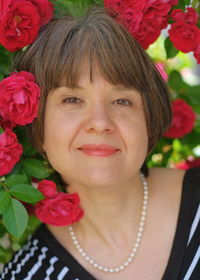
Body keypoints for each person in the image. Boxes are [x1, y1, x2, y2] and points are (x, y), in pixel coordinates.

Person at [0, 5, 199, 280]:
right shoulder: (28, 274)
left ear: (149, 119)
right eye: (72, 99)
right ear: (37, 123)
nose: (100, 121)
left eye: (122, 101)